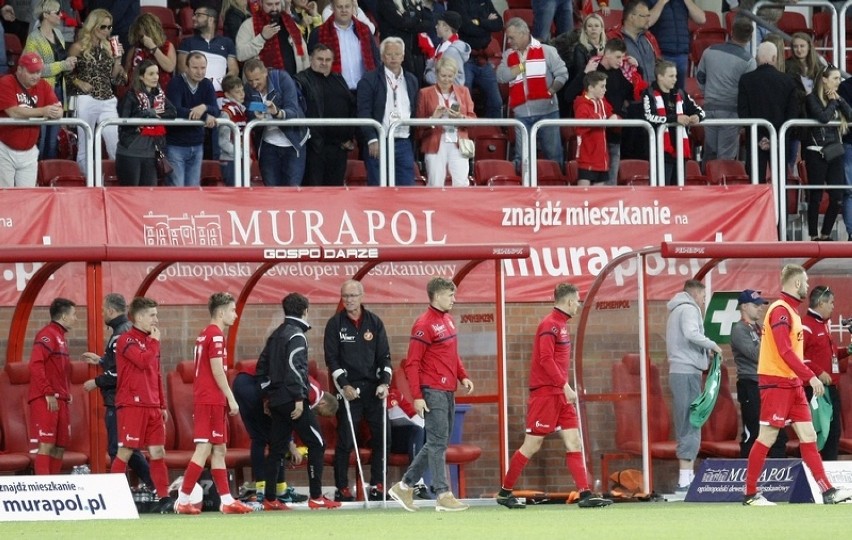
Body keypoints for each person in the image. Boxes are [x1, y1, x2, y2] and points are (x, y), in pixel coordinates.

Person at [495, 284, 612, 510]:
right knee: (532, 444)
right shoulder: (549, 325)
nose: (578, 305)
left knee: (573, 441)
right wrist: (564, 385)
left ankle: (585, 493)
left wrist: (563, 388)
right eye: (577, 301)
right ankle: (504, 492)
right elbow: (545, 359)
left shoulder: (562, 325)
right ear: (568, 302)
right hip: (546, 394)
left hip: (560, 395)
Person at [742, 264, 852, 506]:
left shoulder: (790, 312)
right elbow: (784, 350)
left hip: (792, 384)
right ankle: (750, 494)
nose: (809, 286)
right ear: (798, 284)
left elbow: (792, 353)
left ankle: (827, 491)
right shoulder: (780, 310)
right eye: (807, 281)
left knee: (808, 435)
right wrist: (810, 376)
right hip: (776, 384)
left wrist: (802, 377)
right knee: (767, 437)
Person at [388, 277, 474, 513]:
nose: (454, 300)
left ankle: (404, 486)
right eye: (450, 295)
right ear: (437, 296)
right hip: (432, 390)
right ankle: (443, 494)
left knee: (438, 442)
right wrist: (417, 396)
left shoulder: (448, 320)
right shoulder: (423, 324)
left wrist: (462, 375)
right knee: (437, 442)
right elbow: (412, 364)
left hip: (448, 389)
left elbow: (452, 353)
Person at [255, 292, 342, 510]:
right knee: (318, 444)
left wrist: (268, 396)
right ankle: (316, 497)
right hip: (292, 399)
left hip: (276, 400)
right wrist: (298, 398)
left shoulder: (276, 334)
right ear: (305, 310)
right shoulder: (297, 335)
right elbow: (296, 368)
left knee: (276, 449)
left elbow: (262, 367)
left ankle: (270, 499)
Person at [173, 293, 252, 515]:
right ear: (220, 312)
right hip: (210, 399)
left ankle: (226, 500)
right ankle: (183, 499)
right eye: (232, 310)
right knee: (204, 448)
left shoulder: (205, 334)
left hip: (210, 399)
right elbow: (217, 369)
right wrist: (231, 397)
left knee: (219, 448)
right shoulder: (216, 336)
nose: (235, 315)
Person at [323, 280, 392, 502]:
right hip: (349, 391)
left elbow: (385, 357)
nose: (349, 300)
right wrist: (344, 385)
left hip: (374, 390)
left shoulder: (375, 322)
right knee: (345, 440)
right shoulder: (335, 324)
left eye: (353, 296)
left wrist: (384, 383)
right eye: (345, 296)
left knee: (384, 436)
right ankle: (342, 487)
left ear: (362, 296)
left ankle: (378, 484)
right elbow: (331, 360)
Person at [232, 364, 337, 505]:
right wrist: (292, 445)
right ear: (323, 403)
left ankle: (266, 490)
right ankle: (271, 492)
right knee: (270, 439)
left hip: (242, 383)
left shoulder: (313, 386)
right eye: (321, 414)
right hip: (253, 383)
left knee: (261, 438)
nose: (317, 416)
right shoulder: (312, 394)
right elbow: (289, 414)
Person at [82, 293, 153, 489]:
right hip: (128, 399)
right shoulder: (125, 330)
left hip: (120, 401)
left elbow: (121, 373)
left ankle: (146, 489)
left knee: (120, 449)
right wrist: (101, 360)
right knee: (127, 448)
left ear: (112, 311)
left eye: (104, 310)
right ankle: (156, 488)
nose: (102, 313)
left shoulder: (121, 334)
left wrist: (96, 382)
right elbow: (123, 363)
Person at [112, 296, 174, 514]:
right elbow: (142, 361)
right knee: (126, 450)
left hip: (152, 406)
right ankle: (112, 498)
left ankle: (164, 497)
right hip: (132, 405)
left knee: (158, 451)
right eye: (152, 315)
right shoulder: (126, 340)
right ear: (138, 317)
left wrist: (162, 404)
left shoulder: (151, 341)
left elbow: (155, 373)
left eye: (156, 314)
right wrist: (154, 343)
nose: (156, 319)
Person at [665, 279, 721, 492]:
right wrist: (711, 345)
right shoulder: (689, 309)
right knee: (692, 421)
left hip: (681, 371)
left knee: (686, 422)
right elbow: (691, 333)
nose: (704, 301)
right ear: (696, 294)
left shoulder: (675, 310)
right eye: (704, 297)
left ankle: (686, 476)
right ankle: (685, 480)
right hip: (687, 372)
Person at [496, 17, 567, 167]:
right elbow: (501, 77)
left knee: (553, 155)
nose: (509, 41)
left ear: (524, 34)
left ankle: (556, 188)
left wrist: (551, 91)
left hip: (548, 112)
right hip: (521, 114)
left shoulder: (547, 51)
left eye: (511, 37)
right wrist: (521, 67)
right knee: (522, 158)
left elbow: (562, 74)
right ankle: (522, 189)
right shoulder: (508, 55)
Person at [730, 289, 788, 459]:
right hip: (750, 384)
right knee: (754, 432)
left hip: (769, 385)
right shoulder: (739, 330)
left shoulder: (760, 328)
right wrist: (770, 336)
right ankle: (746, 476)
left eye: (760, 305)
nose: (760, 308)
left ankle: (778, 476)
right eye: (756, 305)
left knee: (778, 433)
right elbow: (756, 355)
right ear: (745, 306)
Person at [68, 9, 126, 176]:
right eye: (103, 26)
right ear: (93, 26)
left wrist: (117, 61)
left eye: (109, 27)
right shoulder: (78, 47)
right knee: (86, 143)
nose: (107, 30)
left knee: (114, 142)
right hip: (86, 98)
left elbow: (115, 80)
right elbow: (66, 74)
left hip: (107, 98)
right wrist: (79, 82)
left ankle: (116, 178)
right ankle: (89, 181)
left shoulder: (109, 48)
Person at [357, 36, 419, 187]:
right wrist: (371, 138)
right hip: (379, 141)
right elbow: (363, 111)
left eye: (397, 54)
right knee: (378, 188)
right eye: (389, 54)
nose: (393, 58)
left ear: (403, 56)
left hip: (404, 141)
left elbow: (414, 110)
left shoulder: (411, 80)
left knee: (406, 188)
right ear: (382, 57)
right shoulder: (369, 79)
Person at [294, 44, 357, 186]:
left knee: (335, 194)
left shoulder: (339, 79)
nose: (324, 63)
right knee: (314, 193)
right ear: (311, 59)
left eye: (328, 60)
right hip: (314, 149)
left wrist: (349, 136)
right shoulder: (301, 80)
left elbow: (351, 107)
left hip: (340, 148)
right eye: (320, 59)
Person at [738, 42, 799, 184]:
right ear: (774, 58)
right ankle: (779, 207)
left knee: (755, 183)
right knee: (780, 183)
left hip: (755, 139)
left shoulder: (746, 80)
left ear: (757, 58)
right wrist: (776, 139)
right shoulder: (788, 81)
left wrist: (760, 138)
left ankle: (758, 207)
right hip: (780, 138)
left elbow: (743, 113)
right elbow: (792, 114)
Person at [28, 298, 76, 475]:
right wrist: (47, 392)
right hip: (46, 398)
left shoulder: (61, 337)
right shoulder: (46, 334)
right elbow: (36, 364)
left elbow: (59, 370)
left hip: (61, 399)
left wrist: (66, 393)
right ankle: (45, 489)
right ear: (63, 316)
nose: (75, 318)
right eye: (73, 314)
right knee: (46, 444)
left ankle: (54, 485)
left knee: (60, 446)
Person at [22, 0, 76, 160]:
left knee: (53, 139)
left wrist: (69, 64)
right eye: (57, 12)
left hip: (59, 89)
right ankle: (37, 173)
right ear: (45, 15)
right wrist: (63, 65)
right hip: (41, 91)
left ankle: (49, 171)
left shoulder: (58, 34)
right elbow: (36, 69)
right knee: (41, 136)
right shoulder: (33, 39)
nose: (61, 15)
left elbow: (61, 63)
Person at [0, 51, 63, 188]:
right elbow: (13, 112)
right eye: (32, 72)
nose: (36, 76)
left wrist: (55, 111)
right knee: (4, 196)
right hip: (5, 150)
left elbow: (58, 110)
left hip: (29, 151)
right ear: (20, 69)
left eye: (38, 72)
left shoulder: (43, 85)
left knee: (28, 197)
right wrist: (43, 111)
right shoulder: (6, 82)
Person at [696, 17, 755, 162]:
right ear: (750, 37)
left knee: (709, 153)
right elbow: (748, 93)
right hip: (731, 113)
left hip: (709, 108)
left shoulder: (709, 51)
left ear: (731, 32)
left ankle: (707, 182)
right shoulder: (749, 61)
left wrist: (708, 94)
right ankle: (722, 183)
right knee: (726, 158)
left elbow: (700, 78)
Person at [243, 58, 309, 187]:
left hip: (293, 142)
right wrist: (256, 116)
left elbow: (293, 110)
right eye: (250, 80)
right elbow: (249, 111)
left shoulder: (282, 78)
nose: (254, 84)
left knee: (292, 191)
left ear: (265, 73)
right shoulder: (248, 89)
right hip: (268, 145)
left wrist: (277, 112)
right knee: (271, 193)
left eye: (257, 80)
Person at [802, 286, 850, 461]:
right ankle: (815, 477)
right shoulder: (805, 326)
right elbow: (798, 356)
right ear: (821, 303)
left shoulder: (824, 325)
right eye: (830, 303)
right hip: (815, 391)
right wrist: (818, 372)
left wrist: (847, 350)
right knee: (819, 434)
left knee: (833, 434)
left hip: (831, 390)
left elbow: (832, 355)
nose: (833, 307)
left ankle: (828, 477)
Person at [804, 66, 852, 241]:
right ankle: (813, 235)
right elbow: (822, 117)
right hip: (816, 151)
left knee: (837, 196)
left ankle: (825, 234)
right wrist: (833, 102)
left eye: (840, 78)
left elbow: (851, 116)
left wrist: (838, 100)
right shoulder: (811, 98)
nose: (839, 82)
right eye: (835, 78)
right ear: (824, 80)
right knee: (816, 195)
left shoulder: (837, 98)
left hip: (835, 151)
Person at [116, 59, 177, 186]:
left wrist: (154, 114)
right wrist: (148, 114)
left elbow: (173, 112)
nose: (156, 77)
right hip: (130, 152)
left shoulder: (160, 95)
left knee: (149, 195)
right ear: (141, 77)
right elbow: (123, 119)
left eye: (157, 73)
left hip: (151, 153)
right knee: (131, 194)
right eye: (151, 74)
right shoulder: (131, 95)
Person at [416, 56, 475, 187]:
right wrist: (433, 118)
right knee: (435, 182)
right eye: (443, 76)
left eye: (450, 76)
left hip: (459, 142)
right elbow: (418, 126)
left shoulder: (463, 91)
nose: (447, 80)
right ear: (436, 74)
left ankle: (460, 208)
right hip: (435, 141)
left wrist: (460, 117)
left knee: (461, 183)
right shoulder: (425, 93)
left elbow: (473, 119)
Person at [643, 60, 703, 186]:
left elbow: (701, 111)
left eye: (675, 76)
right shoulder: (649, 94)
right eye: (671, 76)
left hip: (681, 151)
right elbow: (649, 117)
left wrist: (696, 117)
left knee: (679, 191)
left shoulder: (680, 94)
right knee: (662, 190)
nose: (675, 79)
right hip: (660, 152)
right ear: (660, 76)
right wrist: (675, 119)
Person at [165, 52, 220, 187]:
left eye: (203, 68)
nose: (199, 72)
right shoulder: (176, 83)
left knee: (193, 189)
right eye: (195, 68)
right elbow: (175, 110)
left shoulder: (207, 84)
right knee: (177, 188)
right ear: (187, 68)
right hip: (176, 145)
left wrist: (204, 107)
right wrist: (204, 115)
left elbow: (216, 110)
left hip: (197, 145)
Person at [307, 0, 380, 93]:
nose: (344, 10)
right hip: (334, 93)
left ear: (353, 7)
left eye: (347, 6)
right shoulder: (319, 33)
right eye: (340, 7)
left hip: (364, 92)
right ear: (332, 8)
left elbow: (376, 59)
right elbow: (312, 66)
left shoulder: (364, 30)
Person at [448, 0, 503, 119]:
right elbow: (467, 28)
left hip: (483, 60)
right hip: (465, 60)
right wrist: (487, 25)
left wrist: (478, 22)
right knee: (462, 101)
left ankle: (492, 131)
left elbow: (498, 24)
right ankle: (463, 134)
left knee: (496, 102)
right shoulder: (457, 3)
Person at [235, 0, 309, 76]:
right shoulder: (248, 25)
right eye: (269, 4)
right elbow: (240, 55)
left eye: (277, 4)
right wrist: (262, 37)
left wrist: (305, 79)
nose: (274, 8)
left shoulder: (289, 22)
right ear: (261, 3)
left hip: (294, 82)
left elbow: (303, 53)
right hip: (261, 84)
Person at [177, 5, 239, 93]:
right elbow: (182, 68)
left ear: (210, 19)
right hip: (195, 91)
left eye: (198, 15)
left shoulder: (227, 42)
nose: (194, 18)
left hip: (220, 93)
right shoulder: (187, 42)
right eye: (194, 15)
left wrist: (223, 84)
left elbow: (234, 70)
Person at [646, 0, 705, 91]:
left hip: (682, 53)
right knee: (661, 91)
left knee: (679, 93)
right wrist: (661, 2)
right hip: (661, 54)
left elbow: (701, 19)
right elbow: (647, 22)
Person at [573, 71, 616, 186]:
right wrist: (602, 120)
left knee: (599, 200)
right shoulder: (581, 105)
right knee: (584, 198)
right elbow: (580, 128)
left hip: (602, 160)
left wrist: (614, 117)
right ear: (591, 88)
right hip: (586, 158)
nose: (605, 89)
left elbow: (612, 115)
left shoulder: (602, 103)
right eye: (602, 86)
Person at [376, 0, 433, 86]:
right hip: (395, 50)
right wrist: (416, 18)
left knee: (414, 83)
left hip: (414, 50)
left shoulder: (410, 2)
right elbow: (401, 22)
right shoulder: (385, 3)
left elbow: (428, 22)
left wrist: (411, 22)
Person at [124, 11, 177, 93]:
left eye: (146, 34)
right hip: (137, 94)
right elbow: (127, 75)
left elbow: (169, 67)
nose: (143, 38)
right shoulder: (134, 49)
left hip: (161, 92)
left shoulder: (167, 46)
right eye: (141, 36)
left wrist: (153, 47)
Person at [424, 11, 469, 86]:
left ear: (446, 28)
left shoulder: (452, 51)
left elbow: (455, 81)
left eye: (438, 24)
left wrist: (428, 73)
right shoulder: (443, 45)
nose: (436, 26)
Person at [218, 74, 246, 187]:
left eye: (242, 90)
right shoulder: (226, 112)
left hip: (239, 157)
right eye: (237, 92)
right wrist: (242, 154)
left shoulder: (240, 110)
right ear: (227, 94)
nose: (242, 94)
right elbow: (223, 141)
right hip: (230, 160)